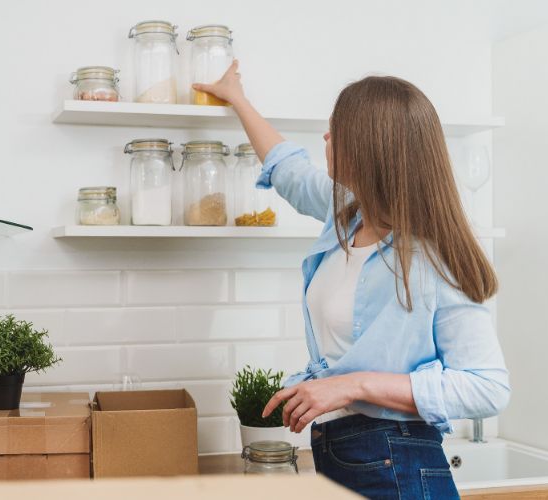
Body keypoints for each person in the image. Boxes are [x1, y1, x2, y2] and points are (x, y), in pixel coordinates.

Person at [193, 62, 510, 499]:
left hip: (398, 464)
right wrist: (238, 99)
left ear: (368, 147)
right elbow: (289, 169)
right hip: (342, 456)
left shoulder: (433, 258)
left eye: (334, 130)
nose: (325, 139)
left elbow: (488, 387)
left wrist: (353, 384)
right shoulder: (346, 213)